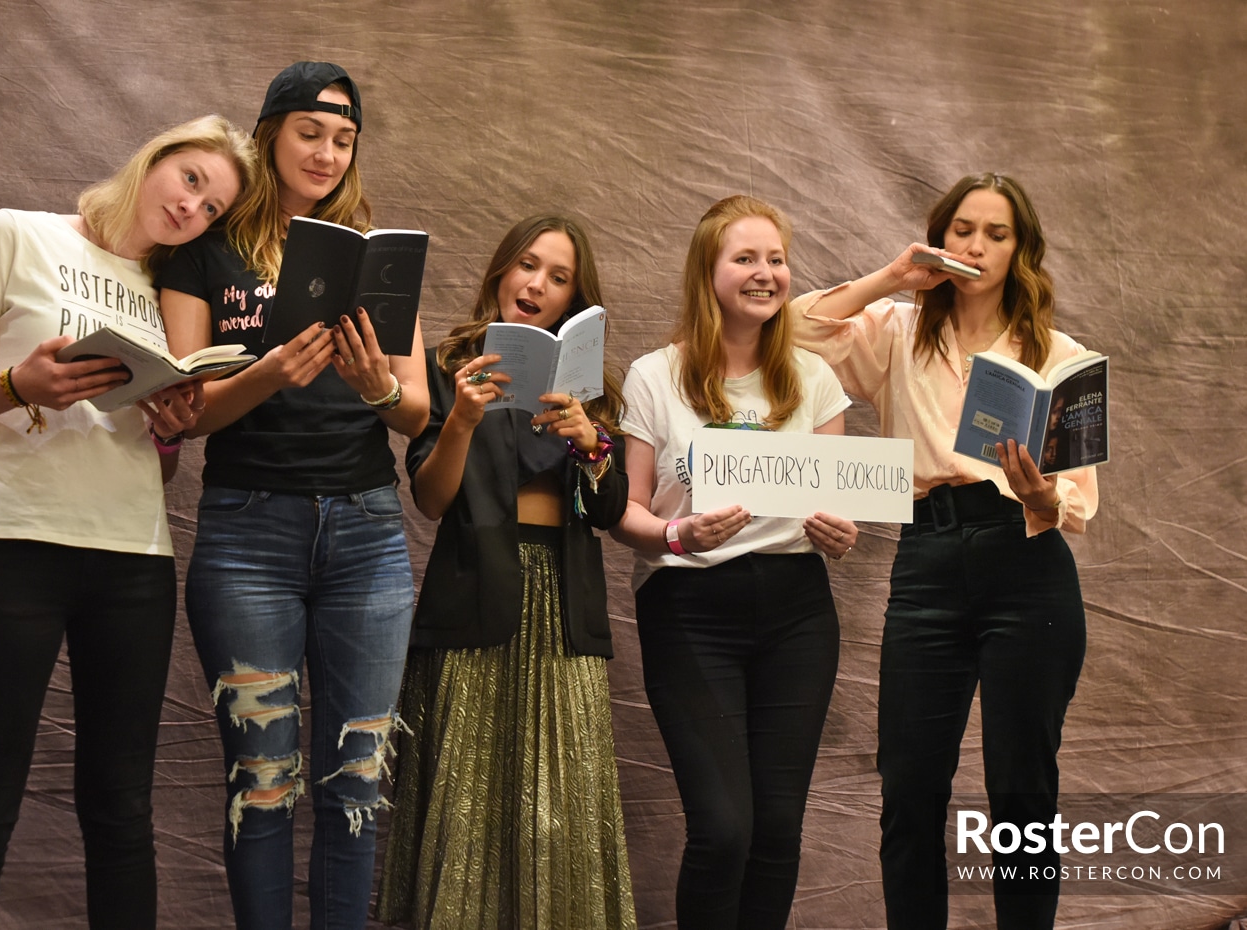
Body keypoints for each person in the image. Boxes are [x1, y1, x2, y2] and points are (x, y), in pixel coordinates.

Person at [0, 114, 252, 929]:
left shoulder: (175, 292)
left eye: (212, 210)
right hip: (13, 548)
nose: (192, 209)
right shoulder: (15, 236)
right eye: (191, 180)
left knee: (122, 814)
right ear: (156, 159)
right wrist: (19, 387)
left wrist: (169, 425)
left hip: (133, 561)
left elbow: (158, 457)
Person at [153, 62, 429, 930]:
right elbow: (185, 410)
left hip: (368, 537)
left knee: (356, 789)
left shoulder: (371, 249)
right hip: (247, 538)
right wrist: (270, 373)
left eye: (344, 139)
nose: (327, 152)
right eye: (311, 131)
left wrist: (376, 383)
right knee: (262, 785)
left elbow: (415, 406)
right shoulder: (207, 247)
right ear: (269, 131)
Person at [788, 172, 1098, 930]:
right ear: (941, 234)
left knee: (1022, 791)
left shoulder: (1059, 354)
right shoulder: (898, 329)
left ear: (1020, 249)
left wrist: (1039, 495)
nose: (977, 245)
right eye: (963, 228)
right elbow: (797, 331)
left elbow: (1077, 499)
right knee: (910, 787)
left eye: (997, 233)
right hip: (926, 558)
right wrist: (893, 277)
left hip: (1027, 565)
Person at [376, 214, 636, 930]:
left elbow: (609, 510)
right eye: (528, 266)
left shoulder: (590, 385)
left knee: (560, 810)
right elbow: (431, 499)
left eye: (558, 278)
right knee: (469, 808)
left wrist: (592, 444)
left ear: (572, 302)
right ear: (500, 273)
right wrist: (460, 418)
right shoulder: (448, 362)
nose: (537, 284)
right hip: (474, 600)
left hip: (565, 608)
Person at [609, 195, 856, 930]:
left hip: (797, 611)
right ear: (707, 272)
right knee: (724, 829)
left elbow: (837, 506)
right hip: (689, 609)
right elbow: (628, 511)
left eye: (776, 259)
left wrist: (838, 534)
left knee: (777, 833)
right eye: (745, 258)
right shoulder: (655, 376)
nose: (765, 273)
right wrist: (678, 536)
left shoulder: (814, 380)